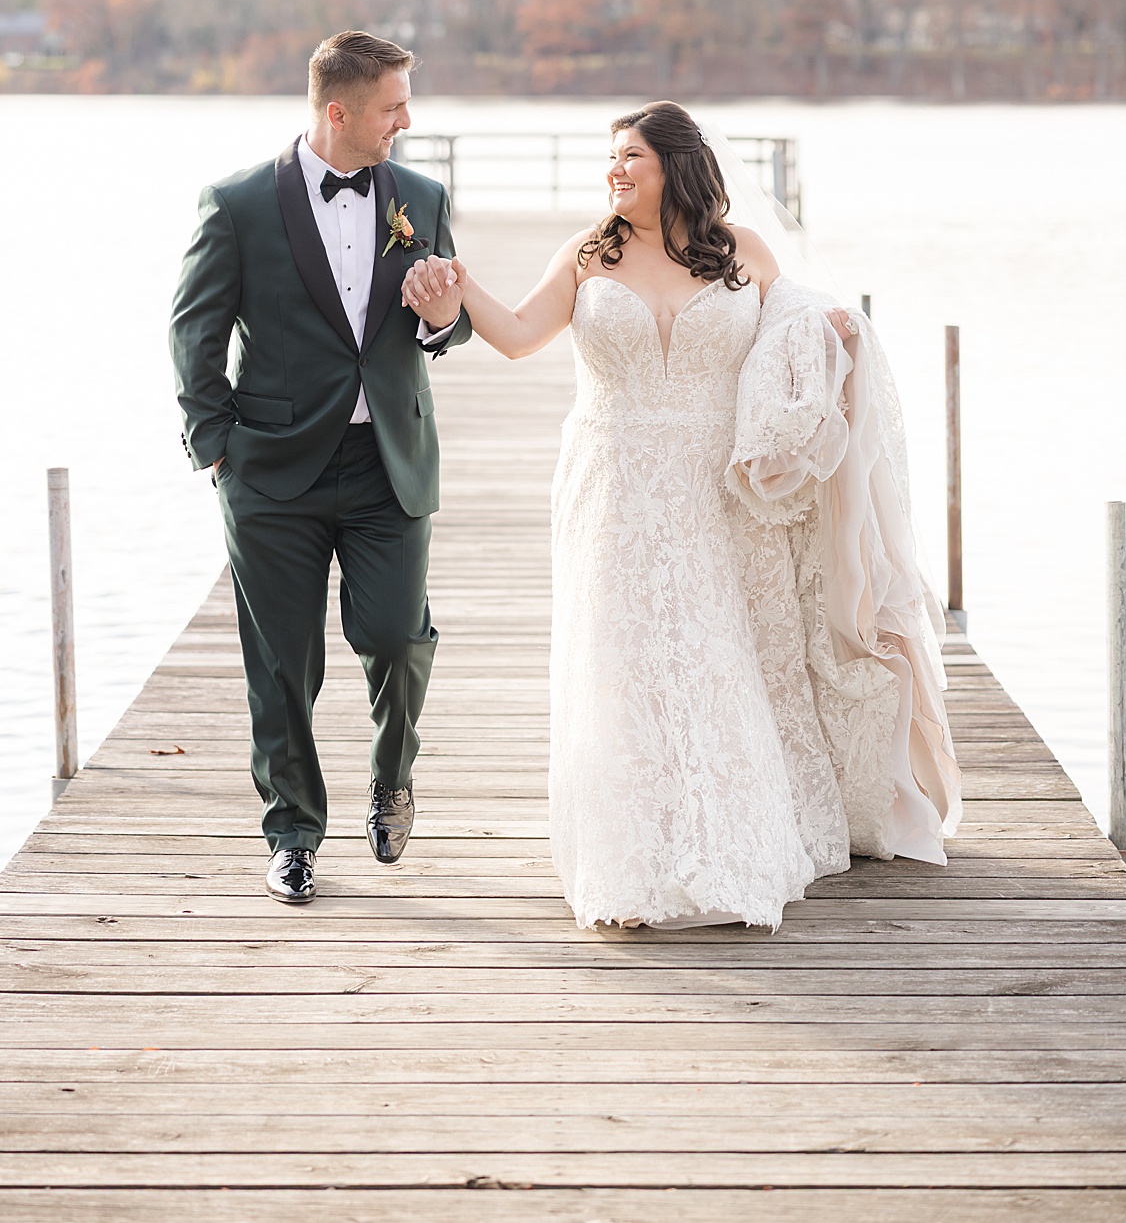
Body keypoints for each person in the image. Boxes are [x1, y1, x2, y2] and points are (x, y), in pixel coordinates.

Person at [408, 100, 961, 929]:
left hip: (715, 486)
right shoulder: (589, 254)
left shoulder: (740, 251)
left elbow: (798, 328)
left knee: (717, 652)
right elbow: (521, 335)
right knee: (623, 658)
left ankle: (728, 846)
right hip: (615, 479)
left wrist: (832, 332)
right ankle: (631, 862)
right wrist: (457, 287)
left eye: (631, 156)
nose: (615, 171)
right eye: (611, 159)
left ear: (677, 164)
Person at [168, 31, 470, 906]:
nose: (406, 121)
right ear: (338, 112)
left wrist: (445, 320)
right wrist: (214, 445)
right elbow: (195, 331)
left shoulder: (423, 195)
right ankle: (293, 832)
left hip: (389, 463)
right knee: (282, 663)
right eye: (392, 107)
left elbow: (445, 326)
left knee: (394, 636)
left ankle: (392, 773)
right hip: (270, 472)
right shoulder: (235, 205)